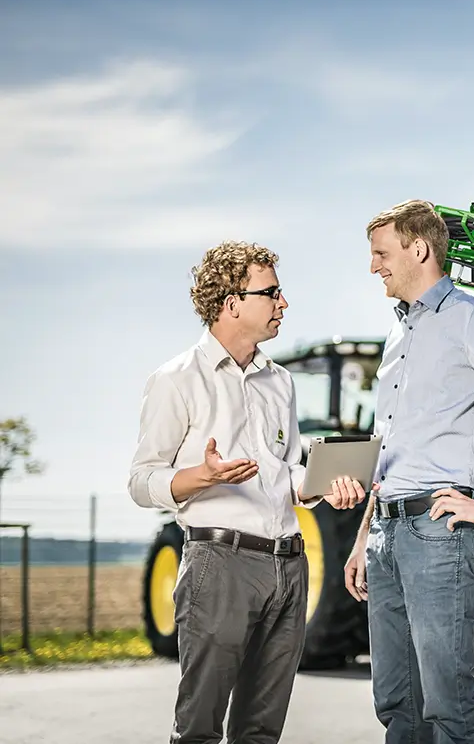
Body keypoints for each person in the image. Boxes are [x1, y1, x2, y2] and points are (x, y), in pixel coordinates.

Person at [128, 241, 365, 744]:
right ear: (231, 302)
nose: (284, 303)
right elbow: (141, 481)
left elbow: (287, 473)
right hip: (220, 565)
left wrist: (324, 487)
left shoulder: (279, 382)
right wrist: (204, 475)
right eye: (271, 292)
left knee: (260, 731)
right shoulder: (175, 380)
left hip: (290, 567)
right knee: (199, 729)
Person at [338, 199, 474, 742]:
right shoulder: (399, 334)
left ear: (419, 249)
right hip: (386, 532)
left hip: (438, 532)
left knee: (445, 703)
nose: (373, 266)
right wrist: (364, 538)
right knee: (395, 700)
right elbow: (390, 450)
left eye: (381, 253)